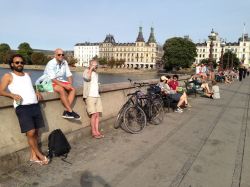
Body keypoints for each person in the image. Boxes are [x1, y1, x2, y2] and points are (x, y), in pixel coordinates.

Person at [0, 54, 49, 165]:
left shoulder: (27, 75)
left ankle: (33, 156)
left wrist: (36, 91)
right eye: (17, 62)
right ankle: (39, 154)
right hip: (22, 107)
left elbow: (29, 87)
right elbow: (1, 90)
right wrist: (12, 95)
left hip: (35, 105)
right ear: (12, 64)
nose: (20, 64)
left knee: (36, 131)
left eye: (22, 62)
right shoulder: (8, 76)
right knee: (30, 132)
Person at [43, 48, 80, 119]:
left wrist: (70, 84)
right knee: (60, 89)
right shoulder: (51, 63)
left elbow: (69, 75)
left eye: (62, 54)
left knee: (73, 89)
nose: (61, 56)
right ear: (55, 55)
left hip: (59, 80)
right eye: (59, 54)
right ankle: (70, 111)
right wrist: (65, 86)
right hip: (48, 81)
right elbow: (53, 79)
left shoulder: (64, 62)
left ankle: (67, 111)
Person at [83, 59, 104, 139]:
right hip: (90, 96)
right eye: (94, 65)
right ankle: (93, 132)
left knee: (97, 114)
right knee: (93, 115)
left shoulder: (96, 73)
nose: (96, 66)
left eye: (96, 65)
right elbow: (87, 78)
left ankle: (97, 131)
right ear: (90, 65)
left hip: (97, 96)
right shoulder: (86, 71)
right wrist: (91, 69)